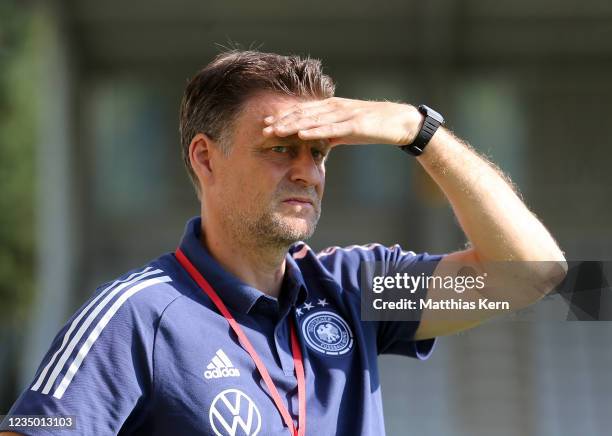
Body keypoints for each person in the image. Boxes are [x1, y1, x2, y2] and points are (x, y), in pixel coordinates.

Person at [0, 50, 566, 436]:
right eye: (280, 149)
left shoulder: (354, 290)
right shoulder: (138, 317)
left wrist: (417, 131)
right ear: (205, 158)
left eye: (318, 152)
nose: (307, 172)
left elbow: (532, 274)